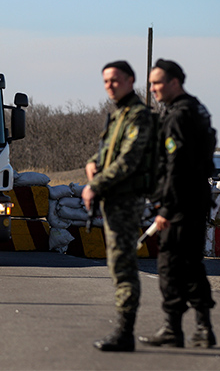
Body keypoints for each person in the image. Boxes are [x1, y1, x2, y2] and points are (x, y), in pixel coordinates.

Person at [138, 59, 216, 348]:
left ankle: (173, 327)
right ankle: (203, 327)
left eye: (157, 83)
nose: (152, 89)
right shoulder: (197, 109)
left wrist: (167, 209)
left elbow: (177, 166)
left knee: (170, 265)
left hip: (181, 204)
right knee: (192, 264)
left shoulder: (179, 115)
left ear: (174, 82)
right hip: (196, 201)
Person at [82, 61, 154, 352]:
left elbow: (129, 160)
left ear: (130, 80)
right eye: (106, 81)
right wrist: (92, 165)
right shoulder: (119, 116)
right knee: (117, 264)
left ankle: (125, 332)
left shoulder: (138, 116)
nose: (110, 85)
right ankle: (123, 329)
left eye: (115, 80)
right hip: (113, 199)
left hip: (126, 200)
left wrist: (95, 186)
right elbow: (109, 155)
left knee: (123, 265)